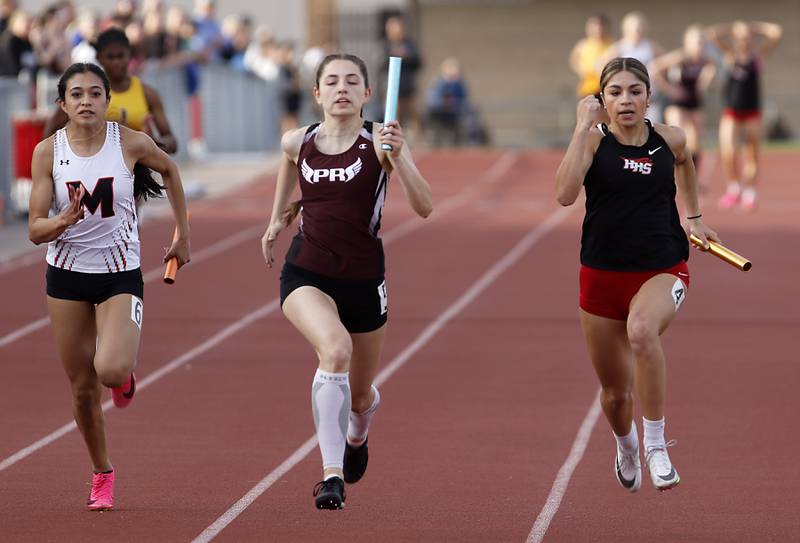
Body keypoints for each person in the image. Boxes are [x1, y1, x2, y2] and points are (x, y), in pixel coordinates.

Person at [261, 53, 432, 509]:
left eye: (352, 81)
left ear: (367, 94)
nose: (341, 88)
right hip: (306, 272)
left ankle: (359, 430)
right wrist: (277, 218)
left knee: (359, 395)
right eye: (331, 81)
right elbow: (286, 162)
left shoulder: (380, 141)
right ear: (316, 93)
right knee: (334, 350)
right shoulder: (299, 141)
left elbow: (425, 206)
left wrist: (402, 159)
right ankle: (331, 475)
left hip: (363, 278)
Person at [27, 62, 190, 510]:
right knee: (82, 388)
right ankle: (102, 473)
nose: (85, 101)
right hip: (66, 275)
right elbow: (35, 230)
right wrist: (61, 221)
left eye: (94, 93)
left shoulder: (130, 143)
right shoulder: (48, 152)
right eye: (76, 94)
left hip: (119, 273)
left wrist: (183, 235)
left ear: (107, 101)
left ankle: (123, 377)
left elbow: (171, 171)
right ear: (62, 104)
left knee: (111, 370)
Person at [555, 57, 719, 493]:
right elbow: (564, 195)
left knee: (643, 331)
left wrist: (696, 217)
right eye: (614, 92)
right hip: (601, 275)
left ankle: (655, 443)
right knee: (614, 394)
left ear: (649, 97)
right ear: (601, 99)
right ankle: (626, 445)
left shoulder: (671, 138)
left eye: (634, 91)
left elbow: (685, 163)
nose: (625, 100)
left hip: (663, 268)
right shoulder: (592, 143)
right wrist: (579, 129)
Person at [44, 27, 178, 155]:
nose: (116, 62)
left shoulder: (147, 93)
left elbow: (172, 142)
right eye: (110, 57)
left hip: (137, 173)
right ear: (99, 58)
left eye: (121, 56)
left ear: (129, 56)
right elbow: (49, 135)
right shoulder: (86, 93)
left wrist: (153, 143)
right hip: (96, 171)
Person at [706, 21, 782, 211]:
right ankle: (734, 188)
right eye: (740, 37)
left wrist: (753, 27)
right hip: (732, 112)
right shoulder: (729, 57)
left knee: (752, 154)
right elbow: (711, 34)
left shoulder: (757, 58)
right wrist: (733, 28)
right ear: (734, 38)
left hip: (752, 113)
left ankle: (750, 192)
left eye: (746, 37)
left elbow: (776, 32)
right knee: (728, 151)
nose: (743, 40)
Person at [651, 25, 716, 191]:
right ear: (687, 43)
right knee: (680, 139)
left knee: (696, 143)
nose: (699, 46)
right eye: (696, 42)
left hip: (695, 104)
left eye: (702, 42)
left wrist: (706, 80)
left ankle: (691, 179)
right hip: (677, 104)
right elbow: (655, 67)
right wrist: (668, 89)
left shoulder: (706, 60)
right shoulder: (680, 57)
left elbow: (711, 72)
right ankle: (669, 178)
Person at [603, 12, 665, 121]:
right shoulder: (620, 47)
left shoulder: (650, 46)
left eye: (641, 27)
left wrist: (658, 72)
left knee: (652, 127)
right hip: (627, 96)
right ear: (626, 29)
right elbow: (600, 65)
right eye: (635, 28)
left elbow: (665, 61)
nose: (638, 31)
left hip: (650, 95)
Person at [569, 13, 613, 98]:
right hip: (588, 88)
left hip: (607, 87)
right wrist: (583, 71)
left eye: (601, 26)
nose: (598, 29)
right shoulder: (583, 45)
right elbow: (573, 60)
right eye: (595, 26)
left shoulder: (611, 44)